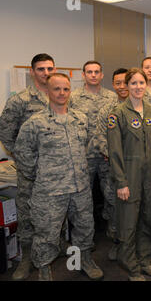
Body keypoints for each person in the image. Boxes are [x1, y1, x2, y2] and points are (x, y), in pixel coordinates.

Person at [14, 73, 103, 281]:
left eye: (65, 89)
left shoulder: (80, 119)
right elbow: (23, 153)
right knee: (46, 234)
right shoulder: (35, 123)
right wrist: (40, 175)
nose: (62, 93)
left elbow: (88, 147)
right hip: (50, 191)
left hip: (80, 188)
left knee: (83, 228)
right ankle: (44, 270)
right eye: (57, 89)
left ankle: (81, 261)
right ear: (48, 91)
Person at [0, 53, 55, 281]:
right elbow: (5, 132)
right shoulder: (20, 100)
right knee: (27, 214)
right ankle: (25, 260)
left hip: (57, 171)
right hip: (30, 171)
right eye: (41, 69)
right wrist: (23, 158)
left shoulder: (61, 97)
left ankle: (48, 257)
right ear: (32, 72)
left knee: (53, 215)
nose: (46, 73)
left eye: (50, 68)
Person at [107, 68, 151, 281]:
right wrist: (121, 182)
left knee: (148, 218)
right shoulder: (117, 114)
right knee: (129, 222)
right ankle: (131, 267)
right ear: (126, 86)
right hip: (129, 175)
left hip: (149, 175)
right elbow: (114, 152)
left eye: (141, 83)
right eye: (133, 83)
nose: (138, 87)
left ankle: (145, 260)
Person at [70, 61, 117, 237]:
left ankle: (113, 230)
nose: (93, 75)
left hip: (107, 155)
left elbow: (114, 127)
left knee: (111, 194)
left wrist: (112, 150)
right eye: (89, 72)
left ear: (102, 75)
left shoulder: (111, 97)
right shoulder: (73, 98)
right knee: (83, 198)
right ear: (83, 75)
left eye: (97, 72)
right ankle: (85, 235)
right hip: (84, 156)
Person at [88, 67, 129, 261]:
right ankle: (116, 241)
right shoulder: (108, 110)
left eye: (125, 82)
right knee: (113, 203)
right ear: (113, 85)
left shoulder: (141, 107)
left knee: (136, 204)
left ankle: (136, 242)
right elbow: (99, 137)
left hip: (137, 167)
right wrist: (114, 156)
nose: (122, 86)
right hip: (112, 167)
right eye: (118, 83)